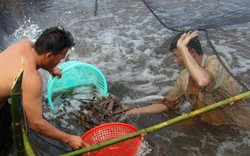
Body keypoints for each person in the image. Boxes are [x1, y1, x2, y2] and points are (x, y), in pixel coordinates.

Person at [124, 30, 250, 130]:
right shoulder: (184, 77)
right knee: (183, 126)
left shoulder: (216, 62)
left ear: (192, 53)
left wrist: (183, 49)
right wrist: (132, 111)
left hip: (238, 124)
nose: (175, 61)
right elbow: (168, 104)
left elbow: (203, 81)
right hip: (209, 122)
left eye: (178, 56)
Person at [0, 26, 87, 153]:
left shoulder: (25, 44)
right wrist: (69, 138)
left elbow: (37, 58)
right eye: (59, 59)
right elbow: (36, 124)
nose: (59, 62)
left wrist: (51, 69)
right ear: (49, 56)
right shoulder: (32, 79)